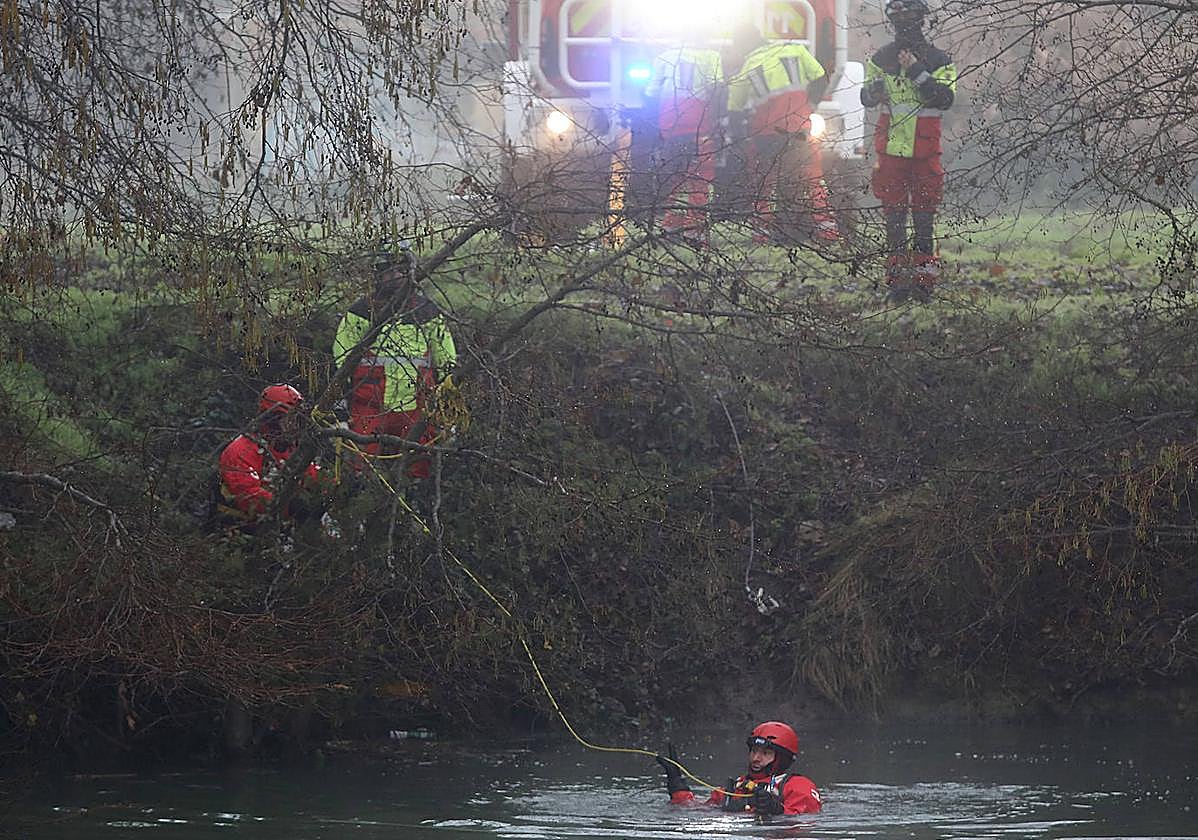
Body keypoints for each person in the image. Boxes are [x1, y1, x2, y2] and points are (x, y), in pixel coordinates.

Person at [860, 0, 957, 300]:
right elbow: (866, 96)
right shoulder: (881, 58)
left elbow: (944, 99)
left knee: (924, 219)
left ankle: (924, 284)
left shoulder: (939, 59)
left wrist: (916, 71)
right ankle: (898, 283)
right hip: (890, 152)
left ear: (922, 18)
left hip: (925, 153)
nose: (904, 21)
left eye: (909, 15)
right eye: (898, 16)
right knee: (894, 219)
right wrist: (873, 91)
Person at [333, 245, 457, 479]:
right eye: (388, 272)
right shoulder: (361, 312)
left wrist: (448, 413)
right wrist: (340, 414)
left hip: (417, 411)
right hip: (368, 410)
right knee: (360, 476)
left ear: (410, 272)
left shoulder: (427, 311)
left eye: (400, 271)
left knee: (418, 474)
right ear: (378, 275)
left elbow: (447, 363)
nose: (395, 278)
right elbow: (340, 364)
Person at [725, 22, 839, 244]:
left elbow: (734, 112)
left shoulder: (747, 68)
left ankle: (763, 233)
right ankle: (827, 230)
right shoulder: (794, 50)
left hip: (766, 134)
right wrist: (811, 106)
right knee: (810, 178)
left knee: (765, 184)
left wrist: (737, 140)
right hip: (800, 128)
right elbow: (821, 77)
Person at [644, 38, 724, 242]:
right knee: (699, 180)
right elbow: (717, 91)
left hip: (670, 126)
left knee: (677, 179)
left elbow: (650, 93)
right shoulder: (711, 57)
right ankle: (694, 232)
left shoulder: (663, 57)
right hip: (699, 126)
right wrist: (718, 122)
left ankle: (671, 228)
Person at [656, 721, 822, 816]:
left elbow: (806, 821)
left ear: (782, 759)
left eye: (765, 753)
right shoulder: (736, 787)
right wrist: (677, 783)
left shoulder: (798, 786)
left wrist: (777, 810)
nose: (756, 758)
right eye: (754, 751)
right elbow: (694, 810)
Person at [217, 384, 323, 525]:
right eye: (290, 419)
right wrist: (289, 506)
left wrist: (335, 485)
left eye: (297, 420)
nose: (295, 426)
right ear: (272, 419)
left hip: (281, 523)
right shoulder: (240, 450)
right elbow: (247, 496)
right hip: (247, 530)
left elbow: (312, 476)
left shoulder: (288, 448)